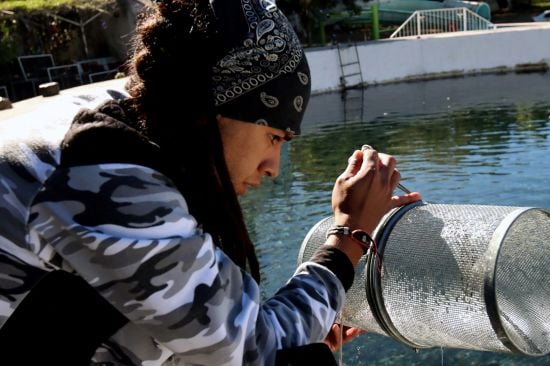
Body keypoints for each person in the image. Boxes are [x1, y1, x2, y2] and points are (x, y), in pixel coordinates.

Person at [0, 0, 420, 365]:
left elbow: (181, 333)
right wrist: (349, 236)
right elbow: (254, 353)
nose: (273, 166)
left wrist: (297, 331)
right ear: (212, 109)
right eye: (273, 136)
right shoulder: (111, 178)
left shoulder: (119, 131)